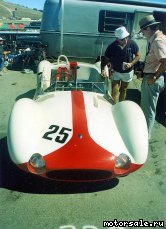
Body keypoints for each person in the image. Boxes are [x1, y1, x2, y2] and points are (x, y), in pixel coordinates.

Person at [139, 15, 166, 139]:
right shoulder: (159, 38)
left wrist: (154, 77)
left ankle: (145, 137)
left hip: (153, 78)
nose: (143, 34)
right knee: (148, 108)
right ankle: (145, 134)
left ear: (148, 28)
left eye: (143, 30)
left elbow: (165, 61)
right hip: (152, 75)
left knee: (148, 110)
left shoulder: (157, 40)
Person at [101, 26, 140, 103]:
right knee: (114, 90)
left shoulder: (132, 43)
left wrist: (131, 63)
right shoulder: (111, 47)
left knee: (123, 89)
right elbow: (105, 59)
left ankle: (122, 105)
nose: (125, 40)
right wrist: (102, 69)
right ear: (117, 39)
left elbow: (138, 55)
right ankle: (114, 107)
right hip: (116, 71)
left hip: (128, 72)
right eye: (122, 39)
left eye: (126, 37)